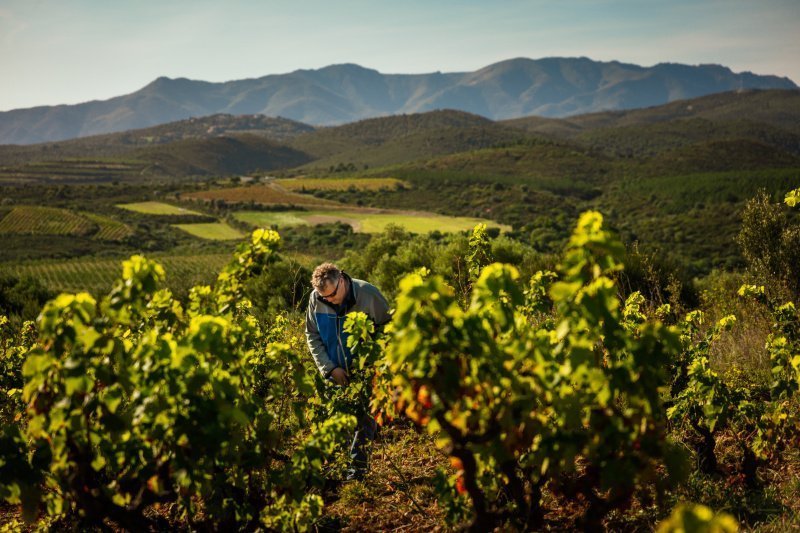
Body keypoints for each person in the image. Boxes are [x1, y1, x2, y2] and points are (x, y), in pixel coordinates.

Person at [305, 262, 391, 480]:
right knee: (337, 421)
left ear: (341, 280)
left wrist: (376, 366)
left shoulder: (368, 294)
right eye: (323, 297)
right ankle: (335, 471)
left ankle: (356, 474)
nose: (328, 300)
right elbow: (312, 335)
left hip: (367, 372)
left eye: (332, 295)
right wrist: (330, 368)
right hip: (334, 373)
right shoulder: (316, 298)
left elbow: (388, 328)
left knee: (365, 422)